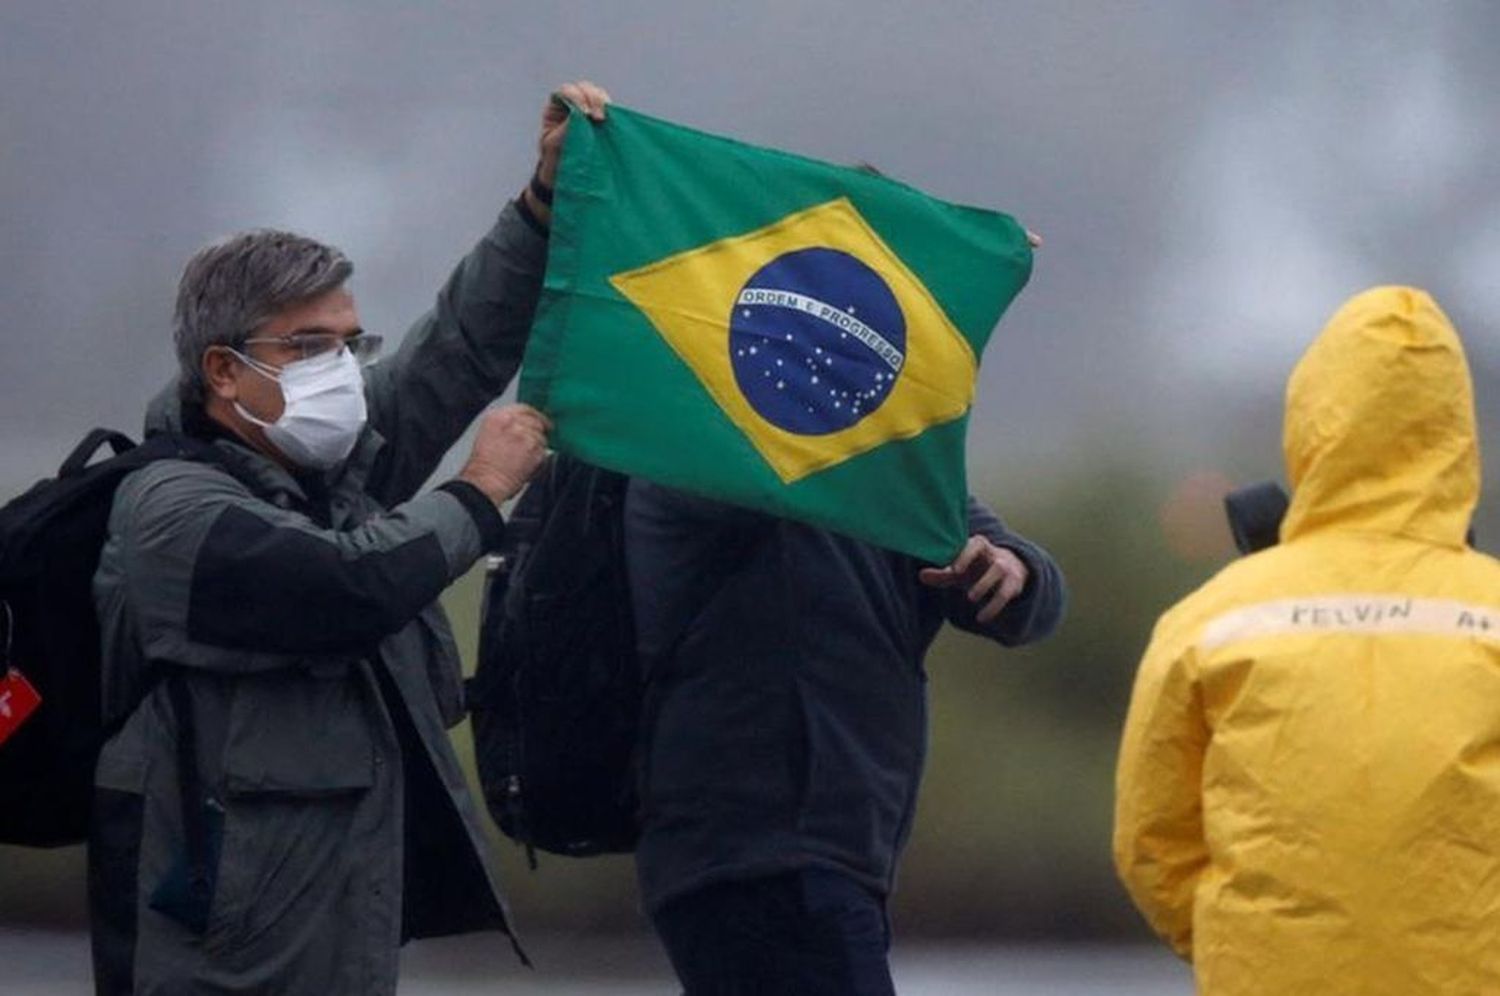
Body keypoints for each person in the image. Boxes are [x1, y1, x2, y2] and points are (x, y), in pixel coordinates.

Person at [87, 81, 612, 995]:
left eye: (349, 343)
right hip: (215, 963)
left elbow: (457, 348)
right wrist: (481, 490)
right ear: (222, 370)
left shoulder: (331, 474)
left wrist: (543, 204)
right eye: (309, 347)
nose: (340, 368)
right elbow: (340, 590)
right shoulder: (169, 511)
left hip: (337, 947)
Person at [1114, 286, 1500, 995]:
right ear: (1456, 432)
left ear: (1313, 422)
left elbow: (1152, 843)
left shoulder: (1209, 620)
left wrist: (1242, 945)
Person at [626, 471, 1066, 990]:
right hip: (761, 853)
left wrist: (1016, 569)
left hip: (830, 854)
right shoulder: (697, 453)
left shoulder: (875, 466)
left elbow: (1030, 609)